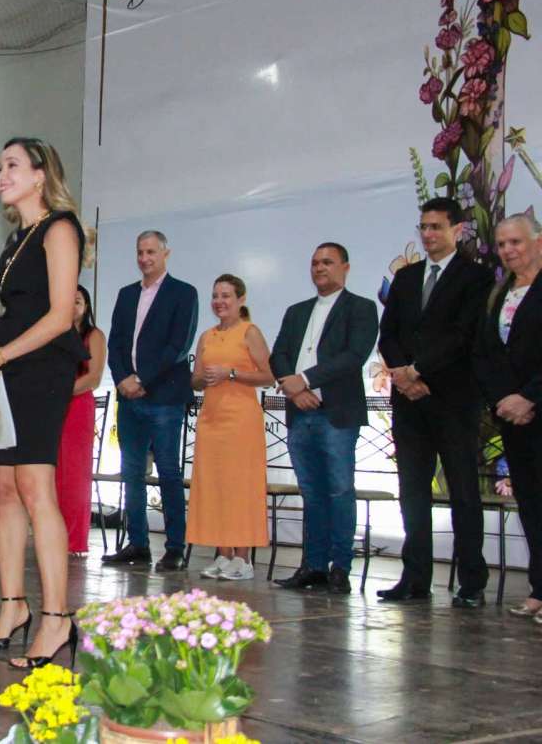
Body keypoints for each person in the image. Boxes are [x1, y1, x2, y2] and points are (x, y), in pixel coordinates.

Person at [0, 137, 87, 670]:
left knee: (36, 488)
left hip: (42, 368)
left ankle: (57, 618)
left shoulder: (60, 228)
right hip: (8, 368)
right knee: (6, 489)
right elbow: (13, 313)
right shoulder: (18, 238)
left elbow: (59, 316)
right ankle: (13, 605)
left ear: (40, 175)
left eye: (11, 164)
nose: (1, 174)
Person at [378, 197, 493, 607]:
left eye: (436, 227)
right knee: (412, 491)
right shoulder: (407, 277)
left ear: (457, 230)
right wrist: (403, 374)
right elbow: (388, 333)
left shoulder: (476, 277)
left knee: (463, 491)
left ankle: (471, 582)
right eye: (423, 227)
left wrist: (419, 370)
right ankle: (415, 578)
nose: (427, 235)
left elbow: (464, 335)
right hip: (409, 401)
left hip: (453, 399)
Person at [270, 243, 378, 595]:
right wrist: (295, 390)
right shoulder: (297, 311)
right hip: (300, 412)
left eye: (328, 262)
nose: (319, 268)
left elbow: (354, 356)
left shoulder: (360, 307)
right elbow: (279, 354)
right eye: (315, 262)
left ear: (345, 267)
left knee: (340, 490)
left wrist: (305, 379)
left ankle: (340, 568)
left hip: (337, 413)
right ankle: (313, 565)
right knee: (311, 492)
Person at [102, 231, 198, 571]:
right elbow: (115, 343)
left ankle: (175, 547)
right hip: (128, 398)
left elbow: (178, 346)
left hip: (164, 397)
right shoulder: (126, 294)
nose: (144, 258)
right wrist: (122, 379)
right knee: (131, 473)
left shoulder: (183, 293)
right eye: (140, 252)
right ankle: (138, 544)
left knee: (168, 471)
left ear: (165, 254)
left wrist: (142, 379)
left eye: (151, 252)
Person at [474, 214, 542, 621]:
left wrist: (529, 397)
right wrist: (503, 398)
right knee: (531, 503)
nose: (507, 250)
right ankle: (539, 590)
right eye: (501, 244)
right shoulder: (501, 292)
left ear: (538, 242)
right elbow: (485, 353)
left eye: (515, 241)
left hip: (536, 406)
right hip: (514, 418)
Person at [186, 275, 274, 581]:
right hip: (211, 419)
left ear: (240, 299)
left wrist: (232, 373)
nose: (219, 302)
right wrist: (203, 379)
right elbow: (195, 379)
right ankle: (223, 554)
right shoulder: (207, 336)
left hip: (241, 421)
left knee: (240, 486)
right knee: (214, 486)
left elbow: (269, 375)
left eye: (226, 296)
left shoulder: (249, 332)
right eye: (215, 296)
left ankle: (243, 558)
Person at [55, 285, 106, 556]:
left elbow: (94, 377)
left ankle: (74, 541)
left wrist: (63, 391)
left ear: (86, 307)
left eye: (78, 301)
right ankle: (54, 536)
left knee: (74, 473)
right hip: (53, 408)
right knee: (53, 473)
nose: (73, 306)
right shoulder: (54, 333)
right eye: (69, 300)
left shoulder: (93, 335)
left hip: (77, 406)